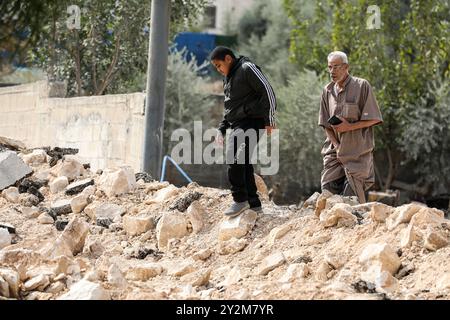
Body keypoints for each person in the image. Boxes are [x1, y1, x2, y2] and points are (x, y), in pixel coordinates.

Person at [210, 46, 276, 217]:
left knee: (234, 157)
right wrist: (221, 129)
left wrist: (270, 120)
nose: (218, 70)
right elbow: (230, 108)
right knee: (243, 162)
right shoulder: (228, 78)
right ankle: (254, 204)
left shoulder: (247, 68)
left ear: (228, 59)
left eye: (219, 65)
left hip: (253, 122)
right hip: (239, 124)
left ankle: (240, 200)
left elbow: (268, 91)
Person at [318, 51, 382, 203]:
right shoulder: (327, 91)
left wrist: (349, 127)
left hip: (356, 154)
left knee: (351, 200)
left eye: (336, 67)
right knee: (327, 194)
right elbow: (325, 125)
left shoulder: (362, 86)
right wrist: (337, 145)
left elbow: (374, 118)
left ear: (346, 67)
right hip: (334, 154)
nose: (332, 71)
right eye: (329, 67)